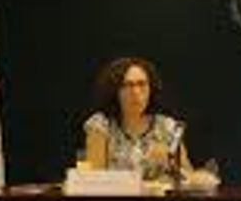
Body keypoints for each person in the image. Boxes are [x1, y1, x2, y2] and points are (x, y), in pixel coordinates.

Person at [83, 57, 214, 185]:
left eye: (142, 84)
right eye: (126, 85)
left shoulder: (168, 127)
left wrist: (171, 163)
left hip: (158, 199)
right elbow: (94, 180)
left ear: (151, 89)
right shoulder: (100, 124)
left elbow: (190, 179)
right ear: (114, 91)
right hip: (114, 199)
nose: (135, 92)